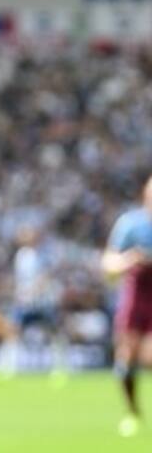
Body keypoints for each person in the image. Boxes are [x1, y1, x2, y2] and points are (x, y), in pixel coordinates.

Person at [101, 175, 152, 438]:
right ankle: (133, 412)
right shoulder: (131, 224)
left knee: (149, 355)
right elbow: (109, 263)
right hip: (136, 295)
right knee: (125, 359)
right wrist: (129, 260)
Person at [0, 225, 67, 382]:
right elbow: (19, 279)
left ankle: (60, 368)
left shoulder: (44, 255)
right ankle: (7, 367)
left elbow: (45, 277)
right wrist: (19, 294)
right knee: (12, 332)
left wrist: (33, 291)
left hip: (42, 302)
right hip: (24, 302)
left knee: (54, 334)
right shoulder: (21, 256)